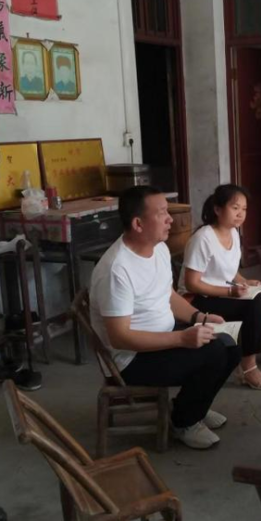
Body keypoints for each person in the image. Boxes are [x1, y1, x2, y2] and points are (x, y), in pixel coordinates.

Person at [90, 186, 241, 450]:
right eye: (162, 213)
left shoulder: (158, 248)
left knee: (231, 345)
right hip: (132, 359)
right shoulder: (117, 270)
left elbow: (168, 295)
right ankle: (184, 422)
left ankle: (193, 405)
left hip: (163, 336)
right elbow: (120, 337)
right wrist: (182, 338)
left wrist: (199, 317)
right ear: (138, 224)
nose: (170, 219)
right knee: (214, 353)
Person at [179, 184, 261, 391]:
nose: (241, 214)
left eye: (244, 209)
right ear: (217, 209)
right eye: (235, 208)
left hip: (220, 293)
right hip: (195, 299)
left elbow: (229, 272)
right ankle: (248, 367)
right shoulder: (203, 238)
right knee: (254, 304)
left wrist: (244, 281)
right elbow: (191, 283)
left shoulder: (233, 233)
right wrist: (230, 292)